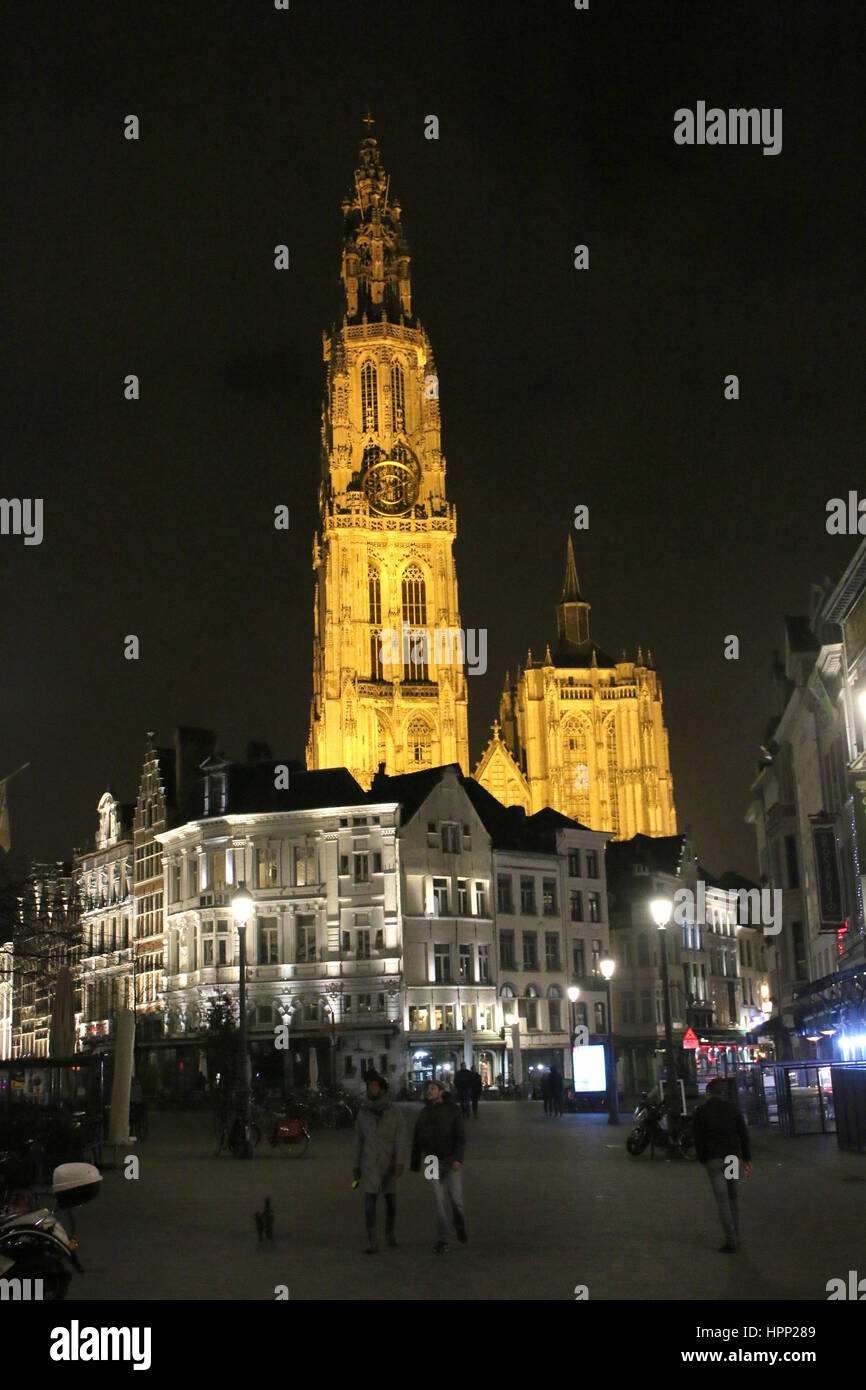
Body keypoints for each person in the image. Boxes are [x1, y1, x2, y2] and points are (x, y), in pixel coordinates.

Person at [693, 1076, 752, 1253]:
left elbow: (698, 1138)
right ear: (722, 1094)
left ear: (708, 1094)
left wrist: (702, 1157)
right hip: (732, 1158)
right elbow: (743, 1135)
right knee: (733, 1197)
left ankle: (731, 1240)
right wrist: (747, 1159)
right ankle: (737, 1235)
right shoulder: (733, 1110)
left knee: (722, 1200)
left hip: (713, 1159)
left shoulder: (701, 1112)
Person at [353, 1071, 408, 1253]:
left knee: (391, 1202)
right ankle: (372, 1241)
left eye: (375, 1086)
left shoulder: (394, 1112)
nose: (371, 1089)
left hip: (389, 1163)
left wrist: (400, 1161)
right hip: (369, 1164)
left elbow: (401, 1138)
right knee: (369, 1203)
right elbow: (358, 1140)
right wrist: (356, 1165)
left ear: (382, 1089)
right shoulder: (363, 1113)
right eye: (369, 1086)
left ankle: (390, 1234)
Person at [411, 1077, 468, 1253]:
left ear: (441, 1091)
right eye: (428, 1089)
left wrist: (458, 1158)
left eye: (433, 1088)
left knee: (456, 1200)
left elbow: (460, 1135)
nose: (429, 1091)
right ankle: (443, 1239)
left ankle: (459, 1222)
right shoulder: (423, 1113)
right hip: (431, 1160)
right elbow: (417, 1138)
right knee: (438, 1201)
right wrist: (414, 1162)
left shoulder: (453, 1110)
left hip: (450, 1159)